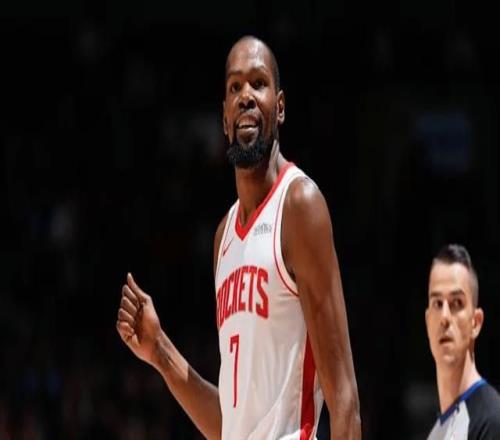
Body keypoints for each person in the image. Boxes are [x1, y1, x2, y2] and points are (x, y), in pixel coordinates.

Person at [116, 35, 361, 439]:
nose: (245, 96)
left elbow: (345, 398)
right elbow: (231, 426)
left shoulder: (299, 206)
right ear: (224, 118)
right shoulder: (224, 237)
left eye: (258, 83)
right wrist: (159, 351)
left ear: (279, 107)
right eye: (235, 87)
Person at [425, 244, 500, 439]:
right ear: (427, 321)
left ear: (476, 322)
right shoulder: (436, 434)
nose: (444, 317)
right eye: (437, 303)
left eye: (456, 303)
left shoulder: (492, 421)